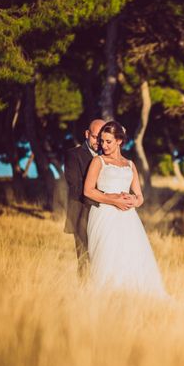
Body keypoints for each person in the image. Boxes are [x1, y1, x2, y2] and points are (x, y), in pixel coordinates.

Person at [83, 120, 167, 297]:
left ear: (119, 141)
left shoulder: (130, 165)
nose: (103, 145)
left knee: (130, 255)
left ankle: (131, 296)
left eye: (108, 141)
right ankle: (104, 296)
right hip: (104, 215)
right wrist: (113, 200)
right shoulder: (98, 161)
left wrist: (133, 201)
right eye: (102, 141)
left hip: (128, 218)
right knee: (107, 255)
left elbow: (140, 197)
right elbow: (88, 191)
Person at [64, 119, 106, 281]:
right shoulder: (73, 155)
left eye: (102, 138)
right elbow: (74, 186)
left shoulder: (108, 155)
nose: (99, 142)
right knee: (84, 257)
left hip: (105, 214)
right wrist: (105, 197)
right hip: (82, 212)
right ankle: (83, 292)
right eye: (96, 137)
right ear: (87, 134)